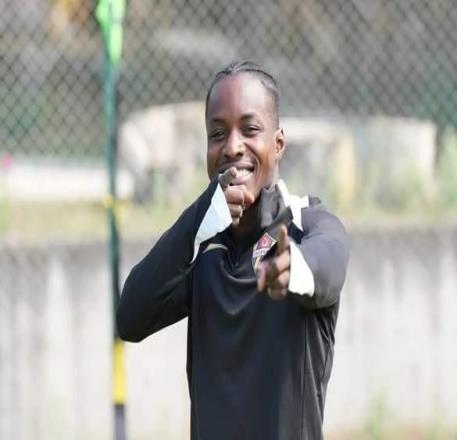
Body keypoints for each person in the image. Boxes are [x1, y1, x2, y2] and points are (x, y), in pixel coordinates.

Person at [117, 61, 349, 440]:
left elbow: (331, 263)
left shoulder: (306, 226)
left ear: (278, 144)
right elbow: (130, 317)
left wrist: (295, 268)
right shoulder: (203, 249)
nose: (232, 147)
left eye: (250, 129)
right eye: (217, 133)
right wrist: (198, 217)